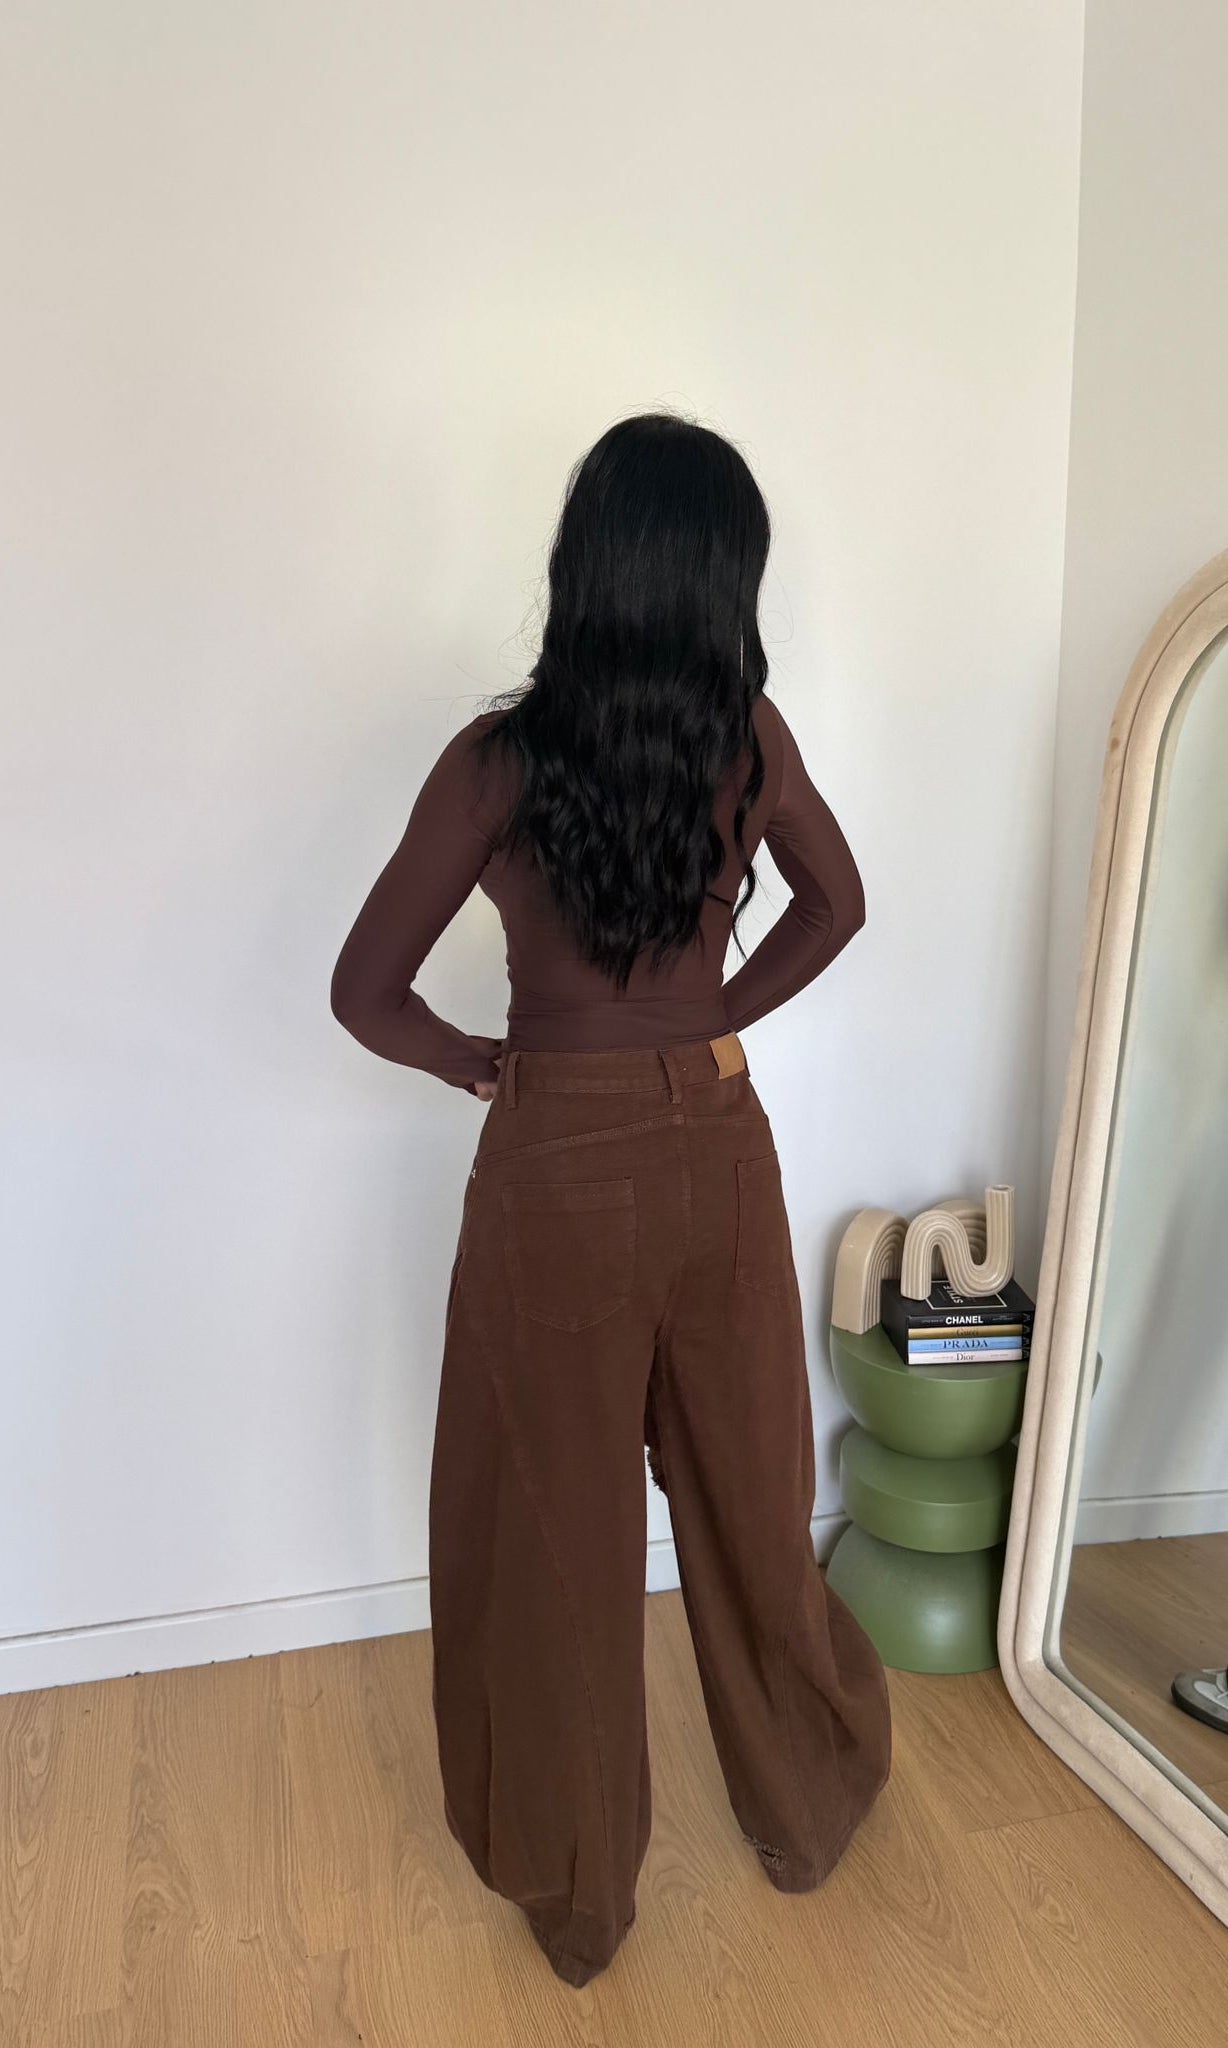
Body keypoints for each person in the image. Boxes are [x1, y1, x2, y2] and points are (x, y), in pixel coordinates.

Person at [329, 411, 892, 1987]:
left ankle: (580, 1903)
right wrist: (708, 1024)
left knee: (550, 1540)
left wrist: (479, 1064)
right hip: (720, 1152)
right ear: (721, 578)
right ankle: (807, 1812)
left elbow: (364, 990)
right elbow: (838, 905)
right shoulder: (748, 737)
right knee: (753, 1503)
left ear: (586, 564)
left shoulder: (499, 762)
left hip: (556, 1174)